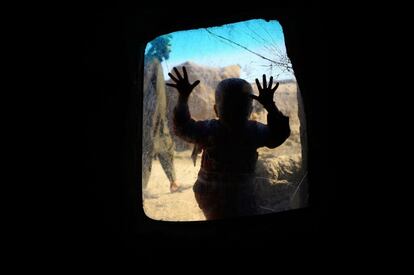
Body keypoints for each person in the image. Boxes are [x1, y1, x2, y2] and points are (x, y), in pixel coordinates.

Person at [167, 66, 290, 219]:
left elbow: (182, 128)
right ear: (250, 110)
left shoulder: (210, 130)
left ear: (216, 110)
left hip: (211, 194)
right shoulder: (253, 131)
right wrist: (270, 105)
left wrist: (183, 98)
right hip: (243, 194)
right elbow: (278, 136)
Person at [142, 59, 179, 198]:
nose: (168, 50)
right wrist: (153, 118)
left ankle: (174, 182)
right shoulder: (153, 62)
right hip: (151, 119)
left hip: (158, 119)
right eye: (167, 46)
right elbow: (152, 91)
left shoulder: (155, 63)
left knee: (166, 148)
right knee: (147, 150)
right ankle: (142, 189)